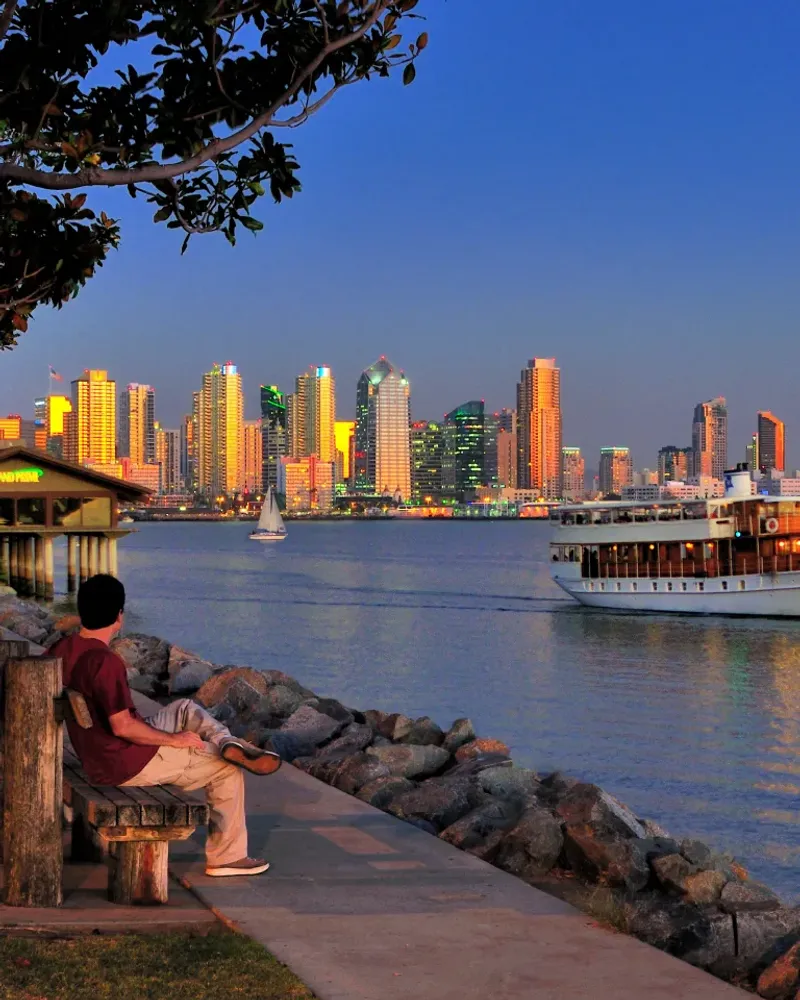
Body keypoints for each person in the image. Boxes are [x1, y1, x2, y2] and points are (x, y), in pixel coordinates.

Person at [50, 574, 281, 878]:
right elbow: (123, 727)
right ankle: (227, 857)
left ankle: (228, 742)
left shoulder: (64, 648)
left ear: (81, 612)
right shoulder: (105, 661)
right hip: (122, 762)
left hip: (97, 752)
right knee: (226, 769)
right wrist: (174, 740)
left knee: (185, 708)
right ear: (119, 617)